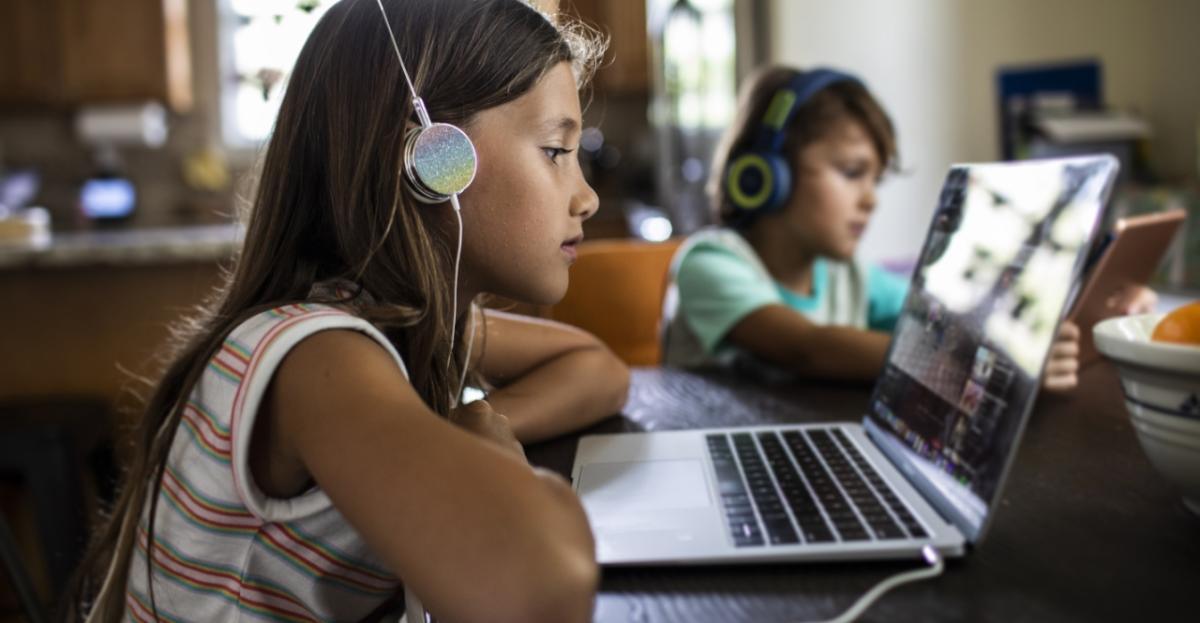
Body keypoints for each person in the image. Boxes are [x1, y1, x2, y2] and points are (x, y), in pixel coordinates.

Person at [70, 1, 627, 621]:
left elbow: (595, 368)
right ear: (435, 160)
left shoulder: (404, 321)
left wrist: (453, 436)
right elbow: (538, 585)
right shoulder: (319, 356)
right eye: (555, 150)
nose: (587, 196)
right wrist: (487, 461)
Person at [662, 65, 1154, 391]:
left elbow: (948, 320)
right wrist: (978, 360)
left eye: (876, 180)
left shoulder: (851, 278)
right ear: (766, 175)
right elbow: (806, 348)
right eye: (852, 173)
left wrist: (1085, 306)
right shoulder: (711, 262)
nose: (871, 199)